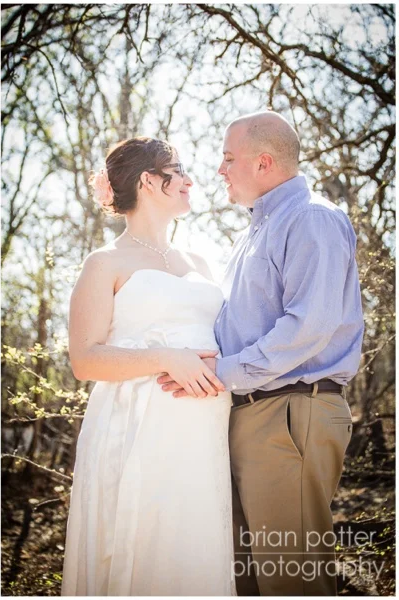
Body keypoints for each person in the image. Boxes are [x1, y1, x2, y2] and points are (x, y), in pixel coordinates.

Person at [159, 111, 364, 595]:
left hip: (292, 411)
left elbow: (307, 327)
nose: (219, 170)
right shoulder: (251, 234)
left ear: (264, 162)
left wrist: (219, 374)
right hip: (251, 413)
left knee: (292, 578)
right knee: (248, 580)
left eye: (229, 158)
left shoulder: (310, 218)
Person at [62, 137, 235, 595]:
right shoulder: (104, 263)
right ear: (148, 181)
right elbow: (84, 359)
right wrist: (165, 358)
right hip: (135, 429)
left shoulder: (199, 261)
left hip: (205, 433)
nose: (189, 180)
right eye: (177, 172)